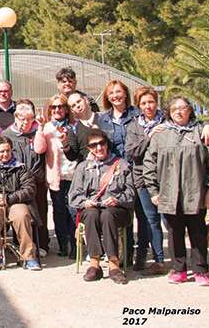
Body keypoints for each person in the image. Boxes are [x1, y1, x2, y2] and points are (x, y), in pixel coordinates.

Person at [143, 96, 209, 286]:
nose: (178, 112)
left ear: (190, 110)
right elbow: (149, 163)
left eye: (182, 108)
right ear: (169, 112)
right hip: (169, 194)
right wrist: (154, 191)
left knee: (198, 232)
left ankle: (200, 270)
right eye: (174, 109)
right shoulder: (161, 134)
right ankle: (179, 269)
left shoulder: (201, 132)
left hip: (195, 193)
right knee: (174, 232)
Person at [69, 129, 135, 284]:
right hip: (92, 208)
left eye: (102, 143)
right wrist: (85, 202)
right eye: (94, 145)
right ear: (89, 148)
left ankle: (113, 264)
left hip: (117, 210)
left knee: (107, 215)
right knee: (92, 214)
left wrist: (117, 200)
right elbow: (73, 195)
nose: (99, 148)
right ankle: (94, 264)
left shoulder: (122, 165)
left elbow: (131, 193)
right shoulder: (83, 167)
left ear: (107, 144)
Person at [0, 135, 41, 271]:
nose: (5, 154)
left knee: (22, 215)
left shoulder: (21, 168)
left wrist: (9, 198)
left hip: (16, 201)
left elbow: (29, 189)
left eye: (8, 150)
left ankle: (29, 256)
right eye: (2, 151)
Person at [124, 87, 167, 274]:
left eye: (151, 102)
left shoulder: (167, 121)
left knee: (169, 220)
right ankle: (158, 260)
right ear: (138, 106)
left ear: (156, 102)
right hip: (142, 178)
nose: (148, 106)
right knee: (150, 220)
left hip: (166, 177)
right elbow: (132, 152)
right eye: (143, 103)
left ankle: (177, 260)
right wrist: (149, 137)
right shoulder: (134, 126)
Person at [34, 94, 80, 257]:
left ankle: (75, 245)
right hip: (56, 177)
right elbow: (39, 149)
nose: (57, 110)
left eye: (60, 106)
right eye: (53, 107)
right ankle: (63, 245)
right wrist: (40, 128)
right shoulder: (47, 128)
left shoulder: (74, 126)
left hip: (74, 175)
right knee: (59, 211)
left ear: (66, 109)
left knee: (73, 211)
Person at [2, 100, 49, 254]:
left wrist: (40, 128)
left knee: (40, 212)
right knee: (21, 213)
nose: (25, 123)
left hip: (37, 180)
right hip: (18, 182)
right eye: (22, 119)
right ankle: (20, 244)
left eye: (29, 119)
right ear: (16, 117)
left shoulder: (38, 132)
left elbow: (42, 151)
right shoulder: (7, 135)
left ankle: (42, 245)